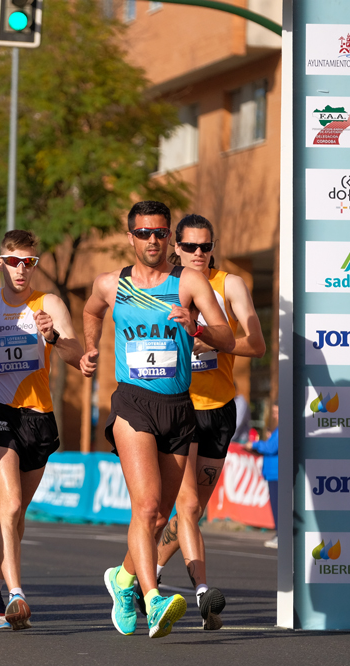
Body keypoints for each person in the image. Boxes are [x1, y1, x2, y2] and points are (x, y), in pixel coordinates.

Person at [80, 201, 235, 639]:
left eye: (160, 233)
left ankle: (122, 578)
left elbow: (227, 337)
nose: (153, 240)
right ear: (130, 237)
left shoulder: (188, 281)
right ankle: (152, 597)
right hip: (133, 403)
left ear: (169, 237)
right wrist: (91, 348)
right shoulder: (111, 284)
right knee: (145, 505)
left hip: (180, 408)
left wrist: (197, 326)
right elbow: (91, 310)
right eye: (144, 233)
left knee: (160, 516)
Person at [134, 214, 266, 630]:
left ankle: (142, 573)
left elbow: (256, 344)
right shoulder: (163, 285)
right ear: (176, 247)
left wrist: (206, 334)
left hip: (219, 409)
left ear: (213, 248)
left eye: (204, 247)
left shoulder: (229, 285)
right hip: (178, 407)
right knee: (186, 505)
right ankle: (204, 593)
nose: (197, 255)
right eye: (189, 247)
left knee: (187, 513)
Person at [0, 230, 83, 630]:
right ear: (1, 262)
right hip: (0, 412)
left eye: (30, 262)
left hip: (39, 418)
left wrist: (53, 336)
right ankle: (17, 591)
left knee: (16, 516)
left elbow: (77, 354)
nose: (22, 269)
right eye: (14, 261)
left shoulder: (49, 302)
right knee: (11, 506)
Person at [247, 404, 278, 549]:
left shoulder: (282, 428)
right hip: (273, 473)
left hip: (277, 474)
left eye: (277, 412)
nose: (274, 415)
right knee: (276, 507)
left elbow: (271, 447)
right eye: (273, 412)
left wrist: (254, 444)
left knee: (279, 507)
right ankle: (280, 534)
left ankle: (281, 535)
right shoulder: (279, 429)